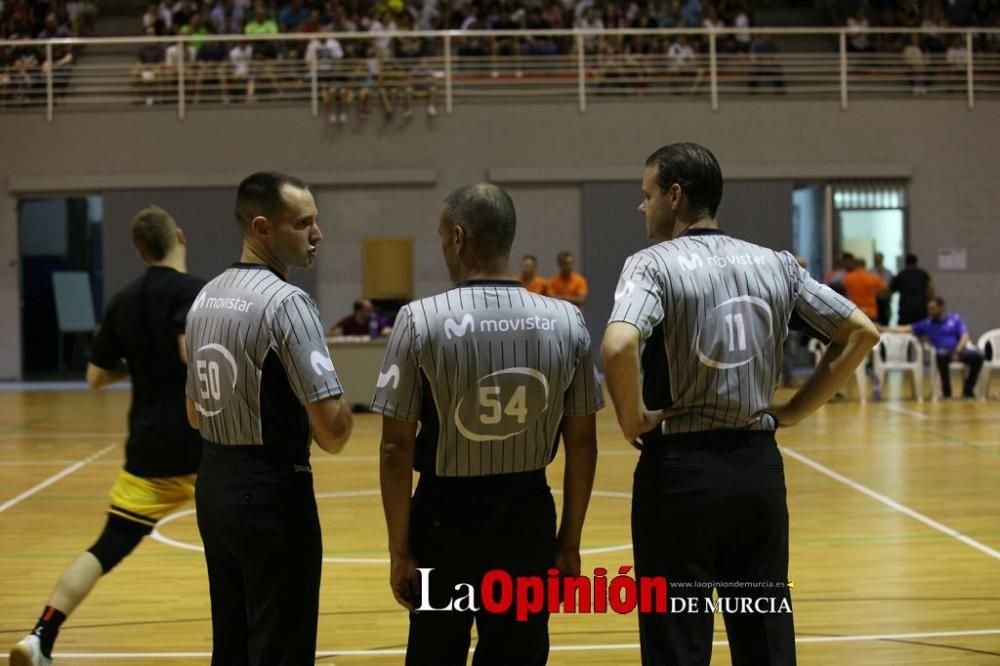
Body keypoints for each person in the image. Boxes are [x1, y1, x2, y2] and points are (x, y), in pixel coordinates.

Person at [601, 143, 879, 666]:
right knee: (766, 640)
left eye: (647, 195)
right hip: (757, 471)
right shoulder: (776, 264)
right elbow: (860, 333)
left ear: (675, 197)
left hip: (679, 476)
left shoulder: (651, 265)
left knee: (677, 642)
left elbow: (617, 346)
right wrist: (794, 411)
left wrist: (632, 418)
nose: (642, 207)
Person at [374, 183, 603, 665]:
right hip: (526, 518)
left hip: (443, 522)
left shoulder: (419, 321)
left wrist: (399, 550)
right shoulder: (567, 321)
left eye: (441, 236)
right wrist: (569, 542)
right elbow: (583, 444)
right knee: (517, 653)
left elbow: (396, 450)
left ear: (457, 237)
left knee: (436, 650)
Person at [9, 206, 205, 666]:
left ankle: (42, 636)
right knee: (243, 545)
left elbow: (96, 377)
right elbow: (189, 356)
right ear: (178, 235)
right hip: (202, 450)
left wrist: (137, 361)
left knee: (105, 548)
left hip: (147, 455)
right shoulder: (196, 292)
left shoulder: (123, 299)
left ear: (139, 250)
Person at [184, 172, 353, 665]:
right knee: (281, 649)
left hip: (214, 488)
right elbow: (332, 431)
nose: (317, 234)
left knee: (232, 646)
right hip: (273, 497)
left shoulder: (204, 299)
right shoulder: (288, 304)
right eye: (303, 224)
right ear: (262, 228)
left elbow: (194, 413)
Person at [888, 297, 984, 399]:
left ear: (941, 307)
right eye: (929, 309)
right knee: (941, 356)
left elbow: (965, 336)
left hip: (958, 350)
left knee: (979, 356)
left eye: (933, 309)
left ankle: (968, 390)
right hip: (942, 352)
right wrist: (884, 329)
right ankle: (947, 392)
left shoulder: (955, 319)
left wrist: (957, 351)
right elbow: (906, 329)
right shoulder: (927, 324)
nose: (930, 312)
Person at [890, 253, 934, 325]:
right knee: (921, 329)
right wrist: (929, 301)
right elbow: (931, 289)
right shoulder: (923, 273)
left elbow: (890, 290)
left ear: (906, 263)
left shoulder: (901, 274)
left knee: (903, 331)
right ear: (916, 262)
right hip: (921, 307)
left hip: (905, 308)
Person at [842, 256, 886, 322]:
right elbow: (884, 289)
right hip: (870, 311)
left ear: (855, 265)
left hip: (854, 311)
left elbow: (843, 291)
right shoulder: (873, 278)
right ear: (864, 265)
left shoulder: (847, 278)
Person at [870, 252, 894, 325]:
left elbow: (892, 285)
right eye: (876, 259)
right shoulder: (870, 272)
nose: (877, 260)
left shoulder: (888, 272)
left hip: (886, 300)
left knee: (886, 319)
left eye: (879, 259)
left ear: (882, 259)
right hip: (874, 300)